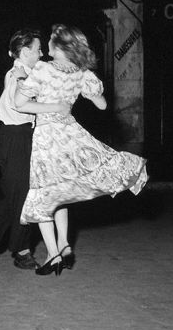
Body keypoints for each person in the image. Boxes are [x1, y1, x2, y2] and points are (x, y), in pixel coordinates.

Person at [15, 23, 148, 276]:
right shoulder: (81, 72)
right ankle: (64, 244)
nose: (47, 47)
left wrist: (53, 106)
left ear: (59, 47)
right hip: (71, 134)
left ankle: (53, 253)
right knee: (61, 191)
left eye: (51, 41)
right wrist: (79, 91)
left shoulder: (43, 69)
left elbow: (20, 104)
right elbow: (101, 104)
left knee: (44, 195)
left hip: (48, 137)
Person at [0, 28, 71, 272]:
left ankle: (17, 249)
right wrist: (55, 106)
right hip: (15, 137)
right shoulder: (17, 75)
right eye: (37, 49)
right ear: (25, 51)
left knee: (21, 196)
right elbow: (20, 106)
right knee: (18, 197)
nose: (41, 53)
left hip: (20, 138)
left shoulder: (26, 72)